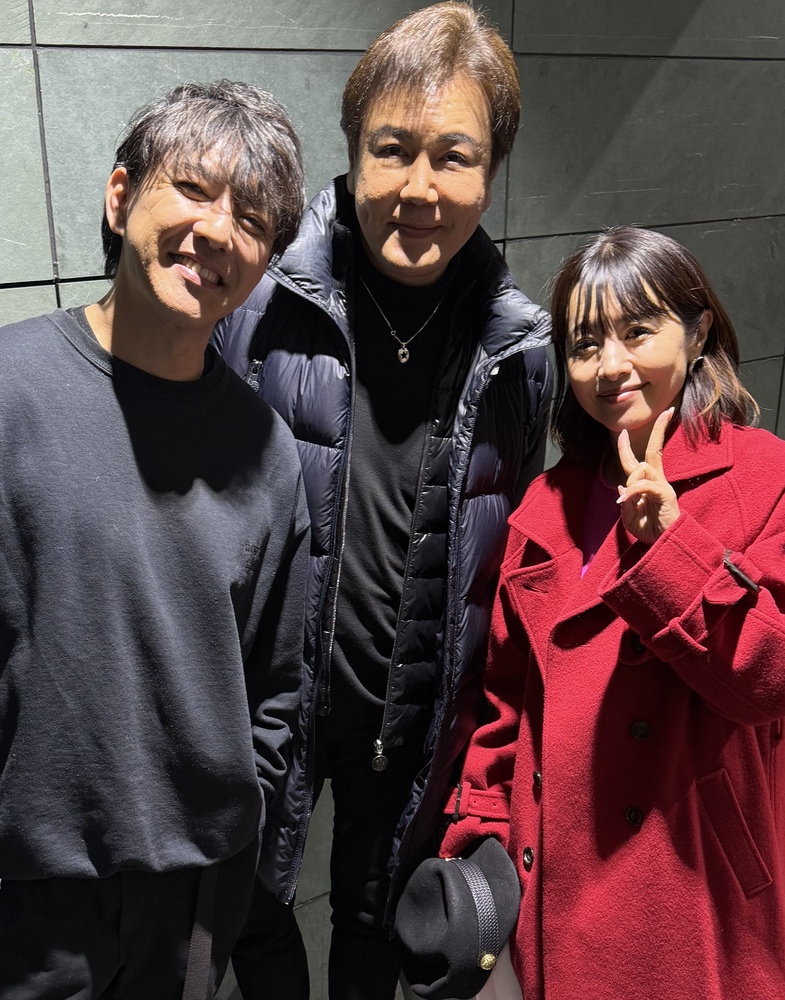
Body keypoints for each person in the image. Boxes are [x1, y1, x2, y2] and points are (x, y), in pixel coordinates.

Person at [212, 4, 552, 998]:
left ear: (490, 169)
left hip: (412, 724)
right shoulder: (256, 306)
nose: (418, 188)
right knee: (246, 912)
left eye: (454, 157)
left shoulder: (520, 352)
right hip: (264, 710)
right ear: (353, 151)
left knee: (374, 931)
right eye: (391, 150)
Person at [0, 80, 310, 1000]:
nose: (217, 232)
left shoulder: (264, 446)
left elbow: (278, 682)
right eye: (194, 190)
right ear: (120, 195)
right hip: (25, 893)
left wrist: (237, 833)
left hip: (194, 897)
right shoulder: (11, 389)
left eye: (250, 220)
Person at [438, 226, 785, 999]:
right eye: (585, 343)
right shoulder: (545, 504)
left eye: (638, 332)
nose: (610, 365)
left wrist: (670, 543)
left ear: (697, 334)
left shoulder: (763, 477)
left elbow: (769, 678)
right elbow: (505, 706)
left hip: (695, 887)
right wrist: (478, 838)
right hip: (558, 884)